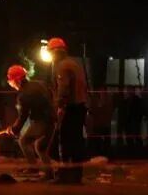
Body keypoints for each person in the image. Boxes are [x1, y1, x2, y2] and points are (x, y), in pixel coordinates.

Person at [49, 37, 88, 184]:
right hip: (80, 106)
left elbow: (63, 89)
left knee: (65, 142)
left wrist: (59, 106)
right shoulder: (74, 64)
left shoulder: (62, 66)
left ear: (55, 52)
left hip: (70, 108)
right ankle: (77, 176)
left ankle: (64, 176)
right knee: (77, 141)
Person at [7, 64, 55, 179]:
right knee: (40, 147)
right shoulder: (39, 83)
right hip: (52, 118)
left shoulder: (23, 95)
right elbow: (51, 94)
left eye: (11, 81)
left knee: (23, 141)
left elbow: (23, 116)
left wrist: (14, 129)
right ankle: (49, 173)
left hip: (41, 120)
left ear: (17, 80)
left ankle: (33, 168)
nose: (11, 83)